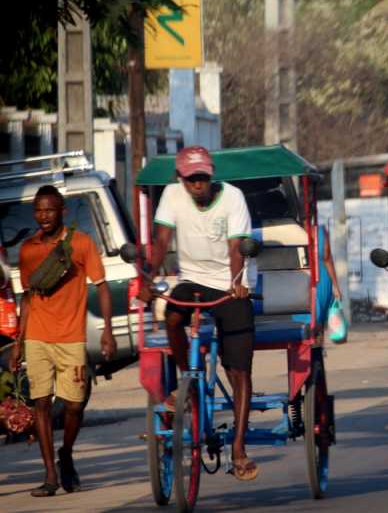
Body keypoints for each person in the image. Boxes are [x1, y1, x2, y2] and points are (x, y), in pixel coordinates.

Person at [140, 146, 258, 481]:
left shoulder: (233, 197)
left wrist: (237, 283)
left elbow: (237, 247)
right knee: (172, 316)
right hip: (191, 280)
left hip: (229, 283)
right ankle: (187, 380)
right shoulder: (172, 196)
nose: (198, 184)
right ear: (181, 178)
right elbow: (161, 241)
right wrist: (148, 278)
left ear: (211, 174)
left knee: (239, 370)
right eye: (191, 178)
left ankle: (238, 448)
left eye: (203, 177)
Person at [10, 185, 117, 497]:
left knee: (73, 405)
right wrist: (19, 341)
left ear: (62, 211)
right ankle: (50, 475)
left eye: (49, 210)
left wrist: (108, 330)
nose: (43, 216)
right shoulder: (28, 249)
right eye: (38, 210)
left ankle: (66, 452)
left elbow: (103, 286)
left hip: (71, 338)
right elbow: (28, 297)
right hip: (37, 337)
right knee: (41, 404)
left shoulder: (81, 243)